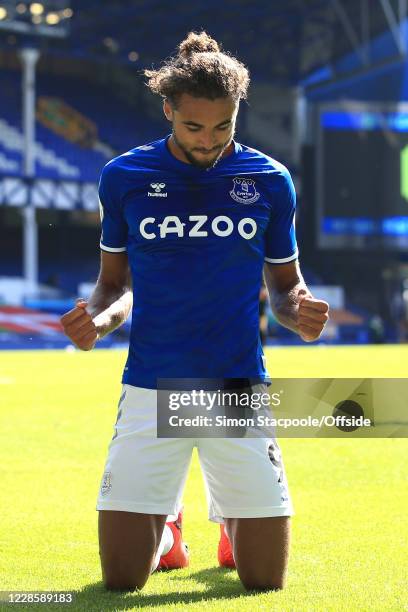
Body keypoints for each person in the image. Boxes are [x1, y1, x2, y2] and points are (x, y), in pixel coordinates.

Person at [60, 31, 329, 592]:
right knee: (122, 580)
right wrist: (97, 321)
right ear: (168, 110)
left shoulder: (270, 182)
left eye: (224, 126)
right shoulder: (124, 177)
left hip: (235, 385)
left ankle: (233, 516)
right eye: (194, 127)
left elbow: (285, 287)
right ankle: (168, 528)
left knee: (262, 581)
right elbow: (114, 287)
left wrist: (297, 310)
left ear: (237, 112)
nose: (209, 142)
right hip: (151, 384)